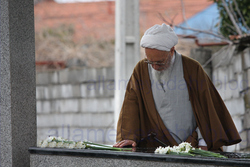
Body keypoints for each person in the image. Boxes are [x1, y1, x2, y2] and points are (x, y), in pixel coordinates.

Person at [113, 23, 241, 151]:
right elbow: (130, 106)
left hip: (190, 148)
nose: (154, 66)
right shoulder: (141, 70)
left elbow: (207, 109)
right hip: (154, 150)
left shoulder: (192, 69)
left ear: (172, 50)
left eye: (159, 62)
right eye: (150, 61)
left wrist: (203, 141)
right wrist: (129, 136)